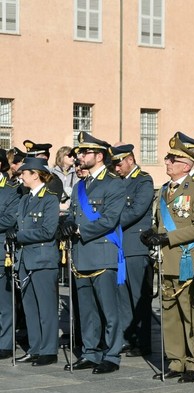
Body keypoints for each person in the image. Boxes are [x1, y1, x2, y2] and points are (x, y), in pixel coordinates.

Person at [140, 132, 194, 383]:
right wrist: (153, 234)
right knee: (169, 313)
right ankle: (175, 360)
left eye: (172, 159)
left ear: (186, 164)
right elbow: (161, 223)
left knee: (190, 314)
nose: (167, 162)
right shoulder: (164, 191)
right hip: (166, 260)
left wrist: (167, 238)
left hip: (186, 258)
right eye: (168, 158)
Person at [59, 132, 126, 374]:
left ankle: (112, 354)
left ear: (99, 156)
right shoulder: (80, 186)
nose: (80, 156)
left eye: (85, 152)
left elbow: (109, 220)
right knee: (86, 310)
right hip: (80, 255)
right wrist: (66, 223)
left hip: (102, 254)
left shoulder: (114, 183)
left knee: (109, 310)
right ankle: (90, 352)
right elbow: (73, 214)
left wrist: (78, 228)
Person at [8, 158, 60, 366]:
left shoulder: (50, 199)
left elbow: (48, 231)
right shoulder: (24, 200)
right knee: (30, 307)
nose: (20, 176)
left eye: (24, 173)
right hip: (25, 260)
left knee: (46, 307)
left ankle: (49, 350)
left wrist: (19, 235)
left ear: (35, 174)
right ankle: (35, 347)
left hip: (42, 259)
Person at [111, 144, 154, 357]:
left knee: (139, 297)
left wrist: (109, 221)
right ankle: (127, 338)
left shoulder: (143, 180)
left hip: (136, 246)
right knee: (122, 296)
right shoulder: (118, 182)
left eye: (119, 163)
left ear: (129, 159)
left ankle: (143, 341)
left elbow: (137, 210)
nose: (116, 168)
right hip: (119, 247)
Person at [0, 149, 20, 360]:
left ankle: (5, 343)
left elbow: (9, 219)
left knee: (4, 302)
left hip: (0, 250)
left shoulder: (11, 189)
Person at [51, 146, 79, 213]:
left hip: (70, 210)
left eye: (74, 156)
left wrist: (68, 205)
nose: (72, 158)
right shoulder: (52, 173)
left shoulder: (76, 174)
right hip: (54, 209)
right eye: (69, 156)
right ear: (61, 156)